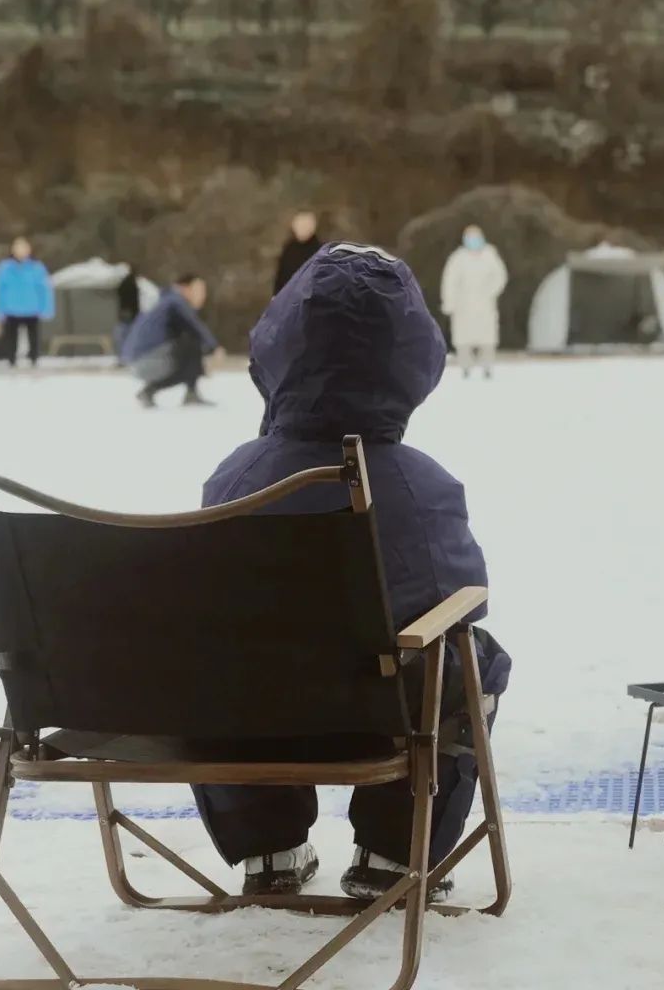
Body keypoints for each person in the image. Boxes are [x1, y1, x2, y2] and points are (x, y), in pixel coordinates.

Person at [193, 244, 510, 901]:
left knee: (226, 660)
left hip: (249, 716)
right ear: (413, 363)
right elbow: (459, 601)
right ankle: (394, 853)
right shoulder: (420, 486)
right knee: (473, 659)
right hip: (371, 718)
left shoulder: (237, 478)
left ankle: (269, 847)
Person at [124, 273, 220, 407]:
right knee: (193, 345)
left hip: (136, 362)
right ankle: (186, 394)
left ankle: (151, 391)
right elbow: (195, 327)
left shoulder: (163, 300)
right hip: (147, 360)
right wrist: (214, 348)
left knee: (190, 353)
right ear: (183, 288)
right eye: (198, 290)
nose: (202, 295)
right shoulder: (176, 302)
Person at [439, 225, 508, 378]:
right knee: (463, 338)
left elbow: (500, 276)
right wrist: (449, 302)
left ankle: (487, 367)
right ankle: (465, 367)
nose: (474, 241)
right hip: (463, 304)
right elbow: (449, 281)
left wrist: (490, 291)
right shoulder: (458, 258)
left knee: (487, 338)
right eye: (470, 238)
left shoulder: (490, 255)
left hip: (485, 303)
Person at [0, 236, 54, 368]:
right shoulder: (4, 268)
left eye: (23, 248)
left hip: (32, 307)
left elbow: (44, 289)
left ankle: (34, 359)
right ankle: (11, 360)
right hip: (11, 308)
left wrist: (46, 308)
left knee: (34, 337)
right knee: (10, 337)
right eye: (18, 248)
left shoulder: (37, 268)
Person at [272, 210, 322, 296]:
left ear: (312, 228)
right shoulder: (289, 248)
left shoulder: (320, 251)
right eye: (299, 226)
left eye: (305, 226)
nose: (302, 229)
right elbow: (281, 273)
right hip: (288, 296)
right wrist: (275, 295)